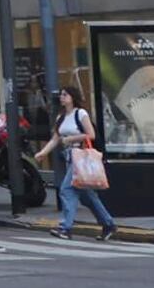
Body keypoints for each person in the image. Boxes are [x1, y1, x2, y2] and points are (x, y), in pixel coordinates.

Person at [47, 87, 119, 241]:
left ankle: (65, 228)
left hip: (81, 156)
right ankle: (108, 224)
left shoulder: (81, 113)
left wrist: (72, 139)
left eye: (65, 95)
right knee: (87, 196)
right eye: (61, 95)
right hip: (70, 157)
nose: (62, 97)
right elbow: (55, 138)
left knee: (67, 190)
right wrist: (42, 153)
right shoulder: (60, 117)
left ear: (73, 97)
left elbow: (91, 134)